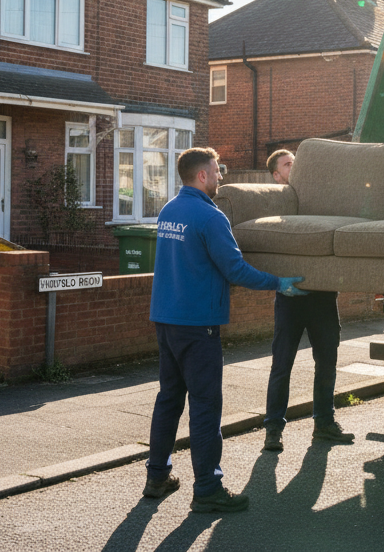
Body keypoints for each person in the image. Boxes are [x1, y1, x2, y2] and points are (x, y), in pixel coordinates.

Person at [144, 146, 309, 513]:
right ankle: (207, 489)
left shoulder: (169, 211)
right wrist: (278, 283)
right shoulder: (210, 216)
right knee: (205, 407)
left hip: (167, 321)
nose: (222, 177)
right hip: (198, 325)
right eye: (217, 172)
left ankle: (157, 477)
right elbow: (235, 270)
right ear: (201, 175)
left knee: (169, 399)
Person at [262, 148, 354, 451]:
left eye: (297, 163)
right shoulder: (277, 203)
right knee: (282, 366)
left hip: (324, 298)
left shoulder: (321, 196)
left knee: (327, 363)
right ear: (277, 175)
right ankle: (273, 429)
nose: (295, 168)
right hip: (290, 298)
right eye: (288, 165)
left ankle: (324, 424)